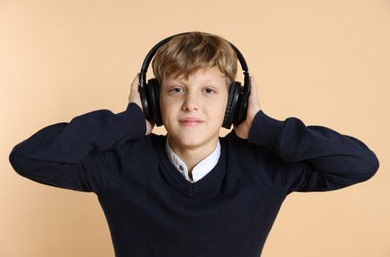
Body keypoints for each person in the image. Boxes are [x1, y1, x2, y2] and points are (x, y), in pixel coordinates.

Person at [9, 32, 379, 257]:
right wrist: (129, 122)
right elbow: (28, 157)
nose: (191, 104)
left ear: (233, 102)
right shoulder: (120, 166)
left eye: (208, 91)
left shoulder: (263, 168)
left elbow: (360, 163)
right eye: (175, 90)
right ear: (154, 99)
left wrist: (263, 127)